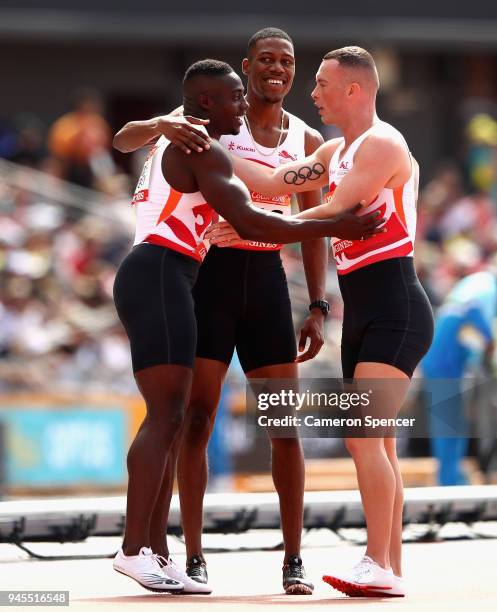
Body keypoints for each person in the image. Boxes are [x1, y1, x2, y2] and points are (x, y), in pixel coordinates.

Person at [113, 27, 372, 595]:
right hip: (205, 275)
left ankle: (292, 559)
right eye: (266, 61)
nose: (277, 70)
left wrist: (319, 300)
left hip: (263, 280)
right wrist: (159, 122)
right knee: (190, 418)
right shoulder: (202, 128)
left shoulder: (299, 137)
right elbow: (128, 137)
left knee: (278, 423)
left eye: (287, 62)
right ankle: (183, 554)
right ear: (245, 68)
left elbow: (303, 213)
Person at [219, 46, 434, 598]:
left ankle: (376, 560)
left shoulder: (383, 144)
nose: (310, 93)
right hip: (361, 308)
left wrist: (254, 224)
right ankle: (392, 567)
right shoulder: (336, 149)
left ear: (354, 91)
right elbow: (275, 180)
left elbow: (333, 211)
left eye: (321, 83)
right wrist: (211, 152)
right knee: (378, 444)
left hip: (396, 306)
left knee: (363, 439)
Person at [422, 270, 496, 486]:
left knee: (452, 425)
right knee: (449, 426)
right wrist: (489, 344)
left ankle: (452, 477)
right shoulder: (486, 289)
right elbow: (472, 312)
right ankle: (450, 481)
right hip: (444, 368)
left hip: (444, 366)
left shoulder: (476, 285)